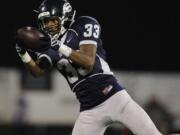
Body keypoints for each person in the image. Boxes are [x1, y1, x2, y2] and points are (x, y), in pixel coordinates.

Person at [15, 0, 163, 134]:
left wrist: (60, 46)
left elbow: (88, 61)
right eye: (45, 22)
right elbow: (37, 71)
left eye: (52, 21)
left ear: (65, 16)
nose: (48, 26)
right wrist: (22, 53)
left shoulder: (83, 25)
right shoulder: (49, 45)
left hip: (114, 97)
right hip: (89, 109)